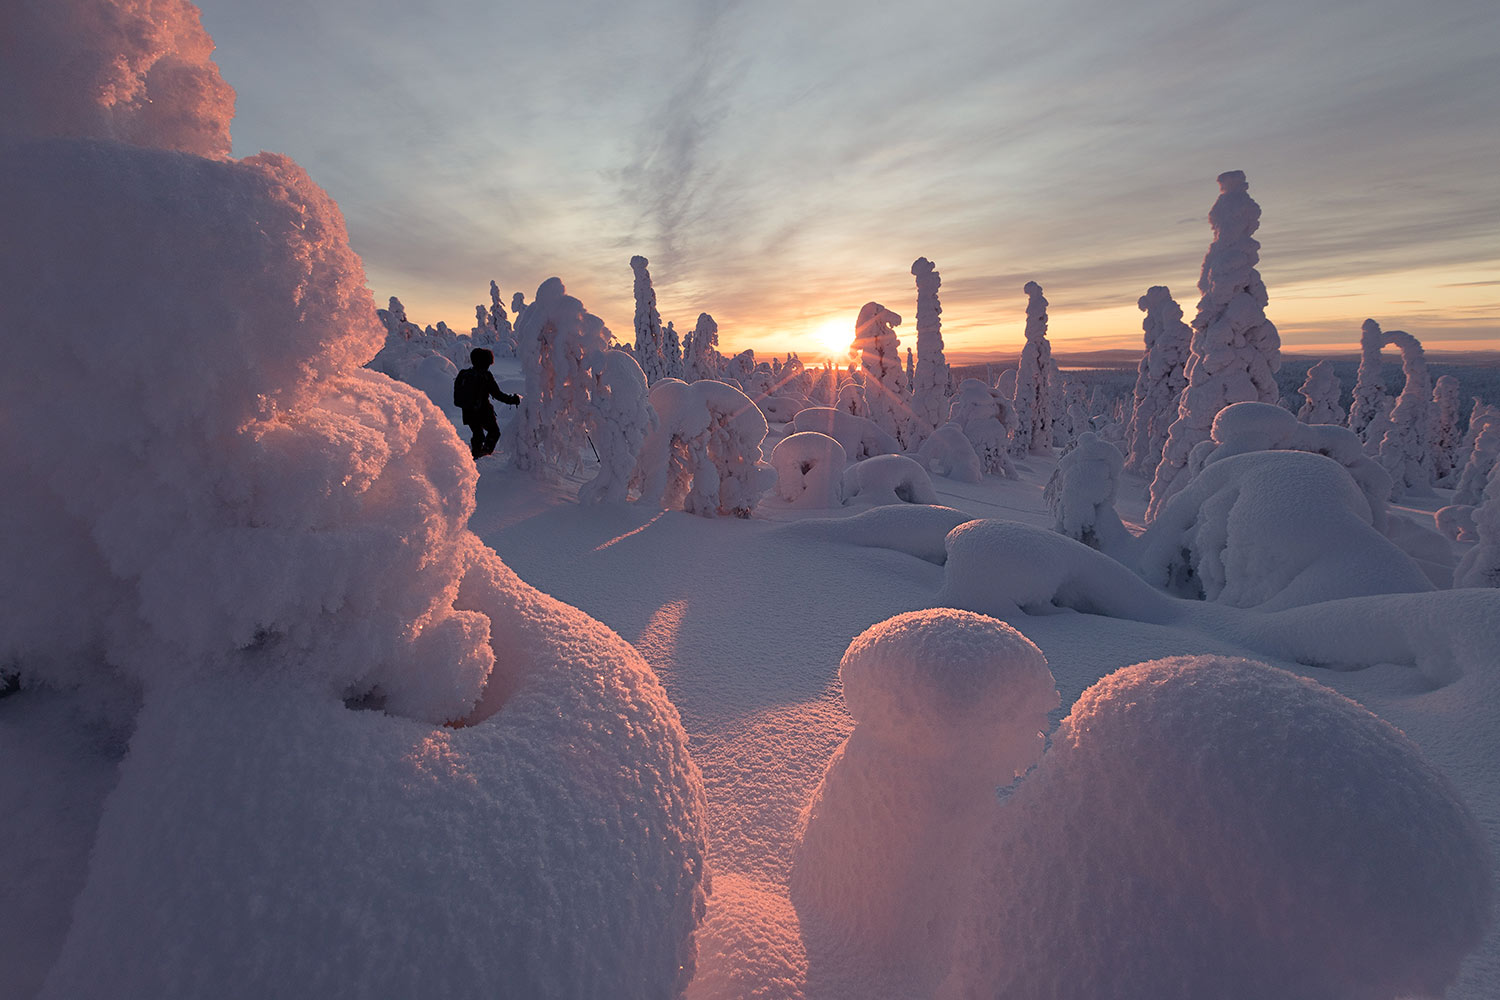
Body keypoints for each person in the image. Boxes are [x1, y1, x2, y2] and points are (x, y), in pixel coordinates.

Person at [453, 348, 520, 459]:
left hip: (467, 411)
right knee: (494, 432)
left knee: (477, 434)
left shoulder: (465, 374)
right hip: (483, 411)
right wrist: (513, 400)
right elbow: (497, 394)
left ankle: (475, 455)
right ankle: (484, 455)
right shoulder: (486, 376)